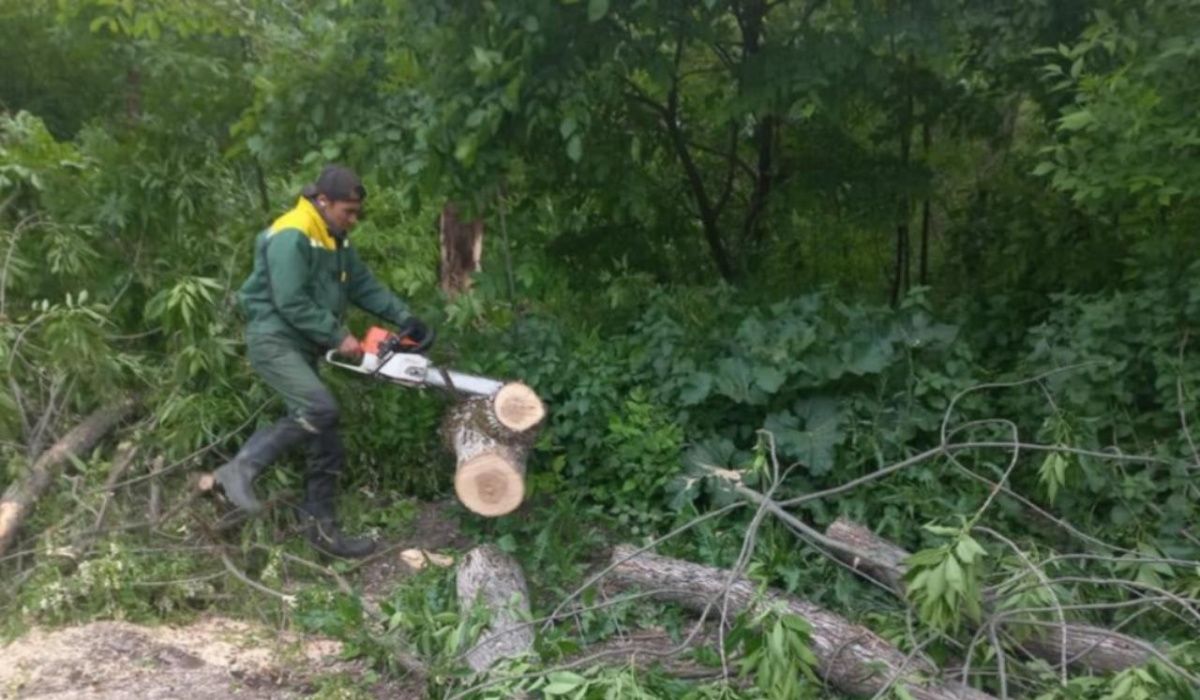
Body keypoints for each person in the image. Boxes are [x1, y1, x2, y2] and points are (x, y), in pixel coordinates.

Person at [215, 165, 431, 558]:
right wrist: (338, 336)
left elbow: (363, 285)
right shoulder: (292, 233)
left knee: (326, 435)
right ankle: (240, 468)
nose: (353, 220)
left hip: (303, 345)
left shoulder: (334, 239)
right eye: (348, 212)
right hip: (275, 340)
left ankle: (324, 537)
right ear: (323, 201)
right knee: (319, 408)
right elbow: (290, 300)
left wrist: (406, 319)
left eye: (357, 213)